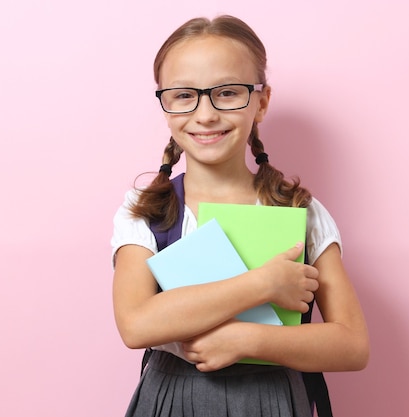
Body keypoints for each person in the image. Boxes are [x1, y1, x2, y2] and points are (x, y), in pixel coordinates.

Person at [111, 15, 369, 417]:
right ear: (164, 104)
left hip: (274, 401)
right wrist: (262, 284)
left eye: (227, 93)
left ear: (261, 102)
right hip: (171, 399)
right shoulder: (146, 210)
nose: (206, 114)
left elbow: (352, 345)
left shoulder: (301, 211)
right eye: (183, 95)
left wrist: (247, 340)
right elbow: (136, 325)